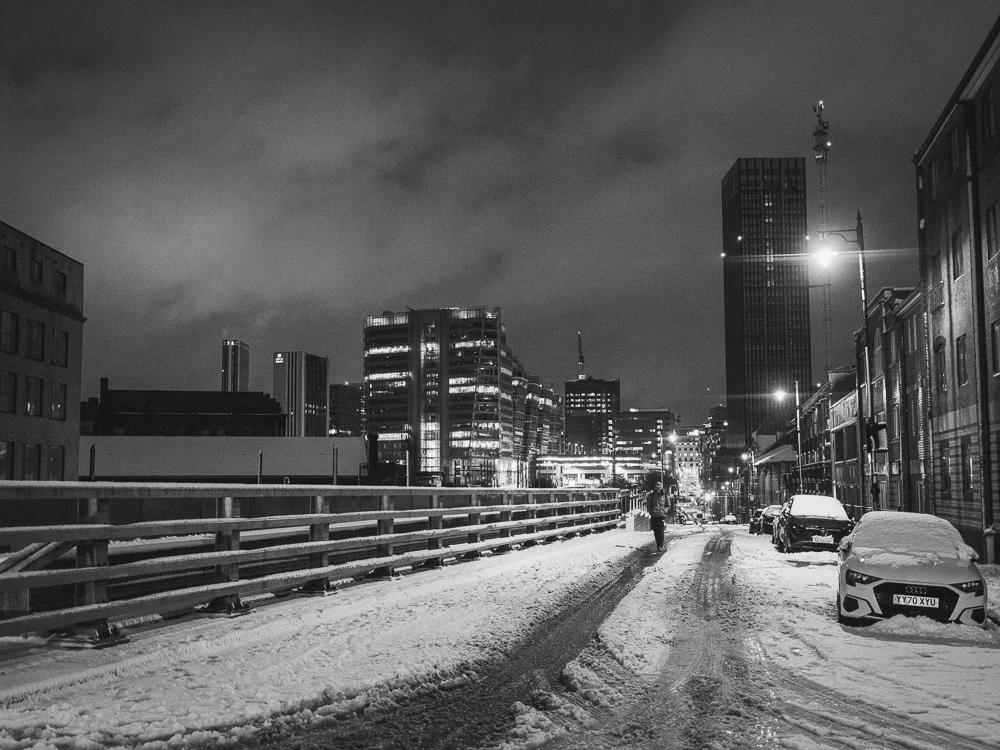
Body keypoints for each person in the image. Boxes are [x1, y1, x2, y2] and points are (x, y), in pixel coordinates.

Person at [646, 481, 668, 551]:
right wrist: (651, 513)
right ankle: (658, 544)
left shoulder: (665, 495)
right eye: (657, 488)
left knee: (661, 531)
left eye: (660, 489)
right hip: (654, 516)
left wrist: (665, 511)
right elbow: (649, 505)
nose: (658, 490)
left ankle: (660, 545)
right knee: (656, 532)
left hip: (661, 515)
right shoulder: (652, 495)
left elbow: (668, 505)